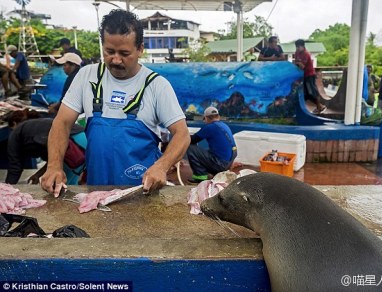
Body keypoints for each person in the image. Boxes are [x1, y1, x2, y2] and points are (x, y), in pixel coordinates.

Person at [40, 9, 190, 196]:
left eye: (124, 53)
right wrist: (54, 165)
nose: (116, 60)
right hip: (96, 191)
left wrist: (161, 166)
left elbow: (182, 134)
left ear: (140, 49)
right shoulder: (87, 76)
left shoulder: (156, 85)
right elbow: (62, 123)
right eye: (109, 52)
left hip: (142, 192)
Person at [5, 111, 86, 185]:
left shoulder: (15, 133)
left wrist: (7, 190)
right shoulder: (34, 126)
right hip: (84, 137)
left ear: (14, 123)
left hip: (71, 143)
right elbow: (53, 161)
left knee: (61, 186)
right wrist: (38, 174)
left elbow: (15, 167)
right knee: (70, 184)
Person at [186, 106, 237, 184]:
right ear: (218, 117)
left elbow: (193, 140)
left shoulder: (210, 127)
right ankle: (215, 172)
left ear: (206, 118)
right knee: (207, 152)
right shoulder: (224, 126)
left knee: (191, 148)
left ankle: (200, 178)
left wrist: (182, 137)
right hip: (228, 163)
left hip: (221, 165)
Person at [294, 39, 326, 114]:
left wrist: (298, 63)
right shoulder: (297, 53)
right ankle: (319, 106)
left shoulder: (306, 54)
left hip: (309, 75)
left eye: (299, 47)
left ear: (303, 46)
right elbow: (296, 63)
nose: (297, 49)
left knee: (312, 91)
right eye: (296, 47)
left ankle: (319, 106)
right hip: (303, 76)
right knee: (306, 94)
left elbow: (302, 66)